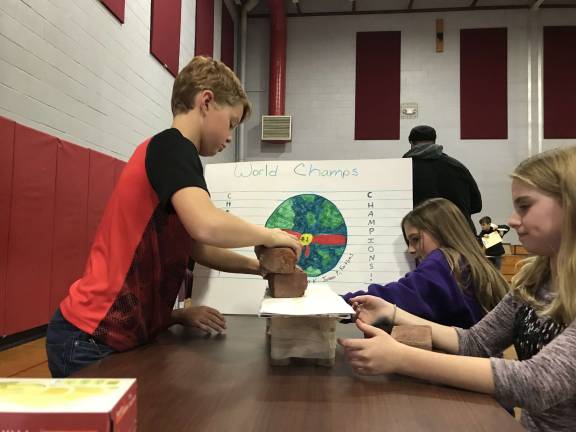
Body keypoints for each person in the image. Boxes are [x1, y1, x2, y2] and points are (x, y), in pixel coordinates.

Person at [45, 56, 302, 378]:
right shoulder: (172, 147)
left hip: (114, 334)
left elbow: (196, 248)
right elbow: (207, 225)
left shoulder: (173, 157)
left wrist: (260, 268)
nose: (230, 136)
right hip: (91, 336)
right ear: (206, 101)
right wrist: (271, 235)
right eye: (232, 123)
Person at [339, 146, 576, 432]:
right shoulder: (535, 278)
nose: (512, 220)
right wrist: (391, 310)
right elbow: (476, 342)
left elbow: (538, 381)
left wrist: (401, 358)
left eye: (525, 206)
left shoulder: (446, 261)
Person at [342, 198, 508, 329]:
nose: (411, 250)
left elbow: (394, 297)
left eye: (415, 239)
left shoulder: (443, 262)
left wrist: (335, 303)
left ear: (443, 231)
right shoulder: (471, 264)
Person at [403, 125, 482, 233]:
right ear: (434, 141)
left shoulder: (402, 169)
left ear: (411, 143)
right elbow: (477, 205)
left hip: (423, 237)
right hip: (460, 235)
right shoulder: (457, 166)